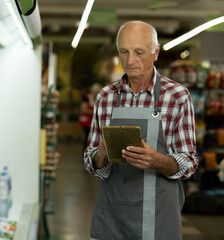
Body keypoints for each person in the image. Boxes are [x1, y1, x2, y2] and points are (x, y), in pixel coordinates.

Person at [83, 21, 198, 240]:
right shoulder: (106, 97)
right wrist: (102, 154)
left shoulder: (177, 97)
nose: (130, 60)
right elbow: (91, 162)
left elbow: (190, 164)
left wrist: (156, 160)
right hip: (112, 219)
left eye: (139, 52)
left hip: (158, 220)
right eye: (124, 52)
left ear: (155, 53)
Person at [79, 83, 102, 150]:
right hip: (87, 122)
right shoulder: (86, 98)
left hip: (95, 122)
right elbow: (83, 109)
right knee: (87, 138)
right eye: (95, 92)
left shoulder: (100, 98)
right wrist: (96, 112)